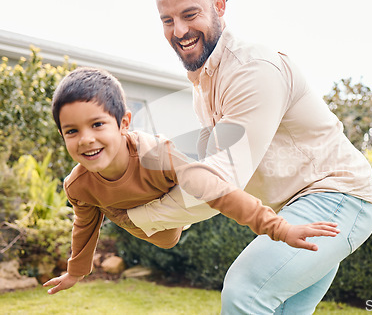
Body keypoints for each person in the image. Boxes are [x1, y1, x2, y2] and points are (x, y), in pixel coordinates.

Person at [130, 0, 372, 313]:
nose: (179, 31)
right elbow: (205, 165)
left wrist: (138, 217)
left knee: (245, 291)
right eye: (167, 20)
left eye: (190, 14)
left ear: (219, 5)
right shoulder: (204, 84)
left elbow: (222, 179)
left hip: (336, 198)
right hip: (298, 209)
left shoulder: (252, 70)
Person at [42, 67, 340, 295]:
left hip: (171, 197)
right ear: (62, 135)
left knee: (212, 183)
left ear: (123, 124)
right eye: (72, 131)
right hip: (150, 228)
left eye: (97, 124)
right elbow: (84, 225)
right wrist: (75, 272)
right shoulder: (78, 185)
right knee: (178, 222)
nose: (86, 139)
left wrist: (280, 228)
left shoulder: (156, 155)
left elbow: (219, 191)